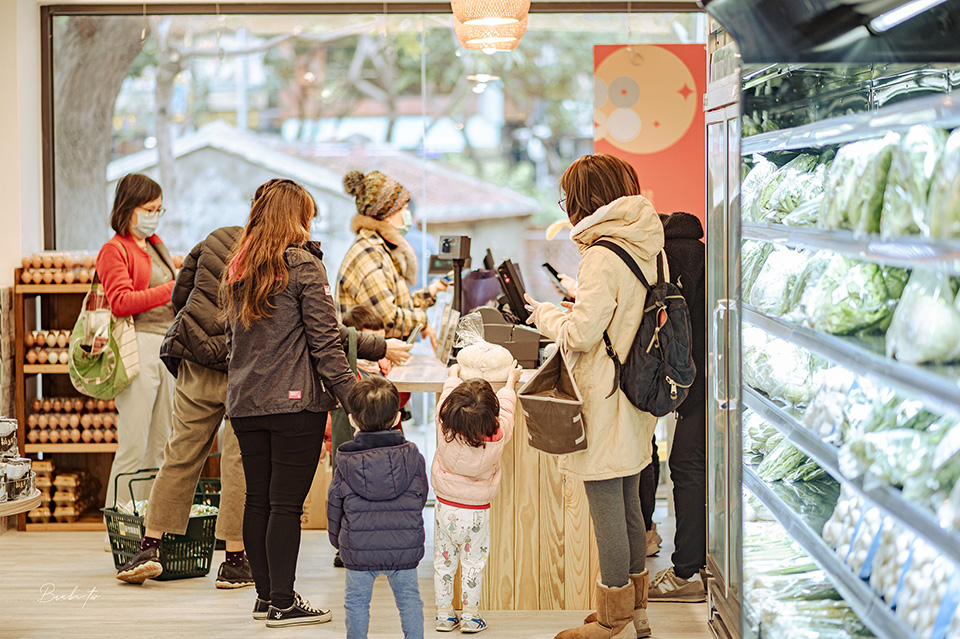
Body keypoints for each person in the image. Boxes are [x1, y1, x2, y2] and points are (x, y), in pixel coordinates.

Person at [114, 214, 413, 585]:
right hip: (243, 371)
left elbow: (181, 291)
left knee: (180, 452)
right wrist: (378, 345)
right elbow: (319, 328)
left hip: (196, 364)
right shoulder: (279, 260)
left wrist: (196, 327)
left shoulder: (217, 235)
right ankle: (236, 560)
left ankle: (150, 544)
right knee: (238, 463)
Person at [524, 153, 663, 639]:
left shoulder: (603, 253)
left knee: (606, 502)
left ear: (584, 199)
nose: (566, 208)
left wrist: (544, 315)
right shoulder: (647, 243)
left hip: (604, 393)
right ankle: (635, 612)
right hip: (637, 391)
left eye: (568, 198)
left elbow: (581, 335)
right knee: (628, 502)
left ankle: (611, 618)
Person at [222, 178, 356, 627]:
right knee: (285, 506)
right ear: (296, 217)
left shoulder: (238, 268)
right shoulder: (303, 266)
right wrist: (352, 397)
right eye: (309, 215)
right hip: (294, 404)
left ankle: (266, 596)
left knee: (257, 500)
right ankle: (284, 600)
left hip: (244, 402)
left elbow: (231, 342)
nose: (311, 222)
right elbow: (326, 344)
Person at [97, 173, 177, 521]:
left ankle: (146, 523)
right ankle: (116, 524)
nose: (155, 215)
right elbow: (120, 302)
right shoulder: (114, 250)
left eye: (159, 209)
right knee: (133, 444)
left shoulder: (157, 245)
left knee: (160, 445)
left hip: (167, 347)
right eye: (149, 208)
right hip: (137, 346)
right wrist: (171, 289)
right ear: (128, 209)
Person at [327, 376, 428, 639]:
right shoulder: (413, 456)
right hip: (404, 546)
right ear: (397, 417)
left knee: (357, 603)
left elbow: (334, 506)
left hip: (359, 548)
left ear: (352, 420)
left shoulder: (345, 461)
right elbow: (421, 496)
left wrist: (338, 542)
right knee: (410, 602)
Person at [646, 211, 707, 603]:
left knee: (684, 465)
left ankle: (687, 573)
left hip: (691, 377)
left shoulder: (667, 257)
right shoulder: (701, 252)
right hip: (712, 373)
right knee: (691, 465)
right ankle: (692, 564)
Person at [432, 363, 520, 633]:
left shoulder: (442, 423)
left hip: (444, 507)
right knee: (473, 565)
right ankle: (470, 617)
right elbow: (507, 409)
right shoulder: (498, 434)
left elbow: (447, 395)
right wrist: (510, 384)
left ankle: (445, 615)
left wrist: (452, 376)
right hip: (477, 513)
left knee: (443, 563)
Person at [336, 170, 447, 347]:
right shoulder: (368, 255)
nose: (406, 214)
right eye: (402, 209)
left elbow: (398, 305)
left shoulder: (381, 249)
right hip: (369, 367)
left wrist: (432, 290)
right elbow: (388, 320)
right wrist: (423, 320)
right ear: (386, 213)